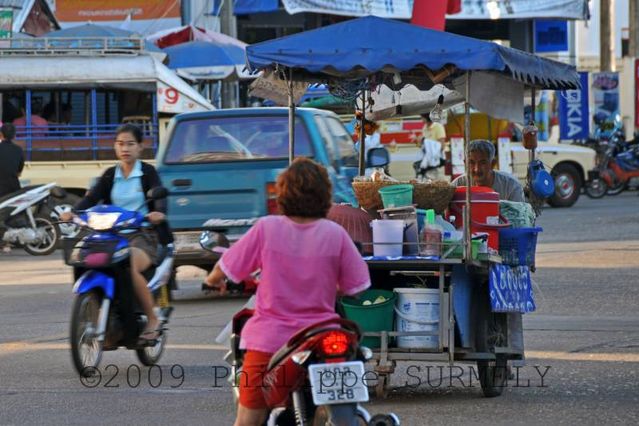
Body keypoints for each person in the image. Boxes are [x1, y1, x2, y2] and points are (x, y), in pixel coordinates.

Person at [204, 157, 371, 426]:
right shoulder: (334, 233)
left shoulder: (267, 228)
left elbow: (224, 268)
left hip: (271, 340)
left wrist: (212, 280)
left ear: (283, 193)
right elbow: (357, 287)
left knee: (249, 416)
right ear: (324, 194)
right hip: (324, 334)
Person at [60, 124, 169, 343]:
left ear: (140, 147)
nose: (125, 149)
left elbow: (159, 198)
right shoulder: (110, 174)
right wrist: (72, 212)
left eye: (130, 144)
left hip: (142, 235)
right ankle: (101, 314)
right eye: (120, 144)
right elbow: (92, 198)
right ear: (115, 147)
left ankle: (151, 319)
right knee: (83, 257)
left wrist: (157, 213)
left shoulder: (148, 172)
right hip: (110, 235)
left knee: (130, 266)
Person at [452, 139, 525, 202]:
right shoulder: (458, 185)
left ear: (493, 163)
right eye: (471, 163)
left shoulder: (511, 186)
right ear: (465, 163)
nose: (476, 169)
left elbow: (519, 216)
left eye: (482, 163)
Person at [416, 112, 447, 180]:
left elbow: (442, 146)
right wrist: (420, 141)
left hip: (437, 160)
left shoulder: (438, 127)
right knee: (426, 181)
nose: (421, 120)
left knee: (437, 181)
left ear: (426, 117)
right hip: (427, 160)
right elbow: (424, 145)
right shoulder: (424, 128)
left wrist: (426, 142)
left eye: (422, 117)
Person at [0, 123, 25, 198]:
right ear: (14, 136)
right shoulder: (19, 150)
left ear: (1, 134)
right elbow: (19, 172)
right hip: (14, 190)